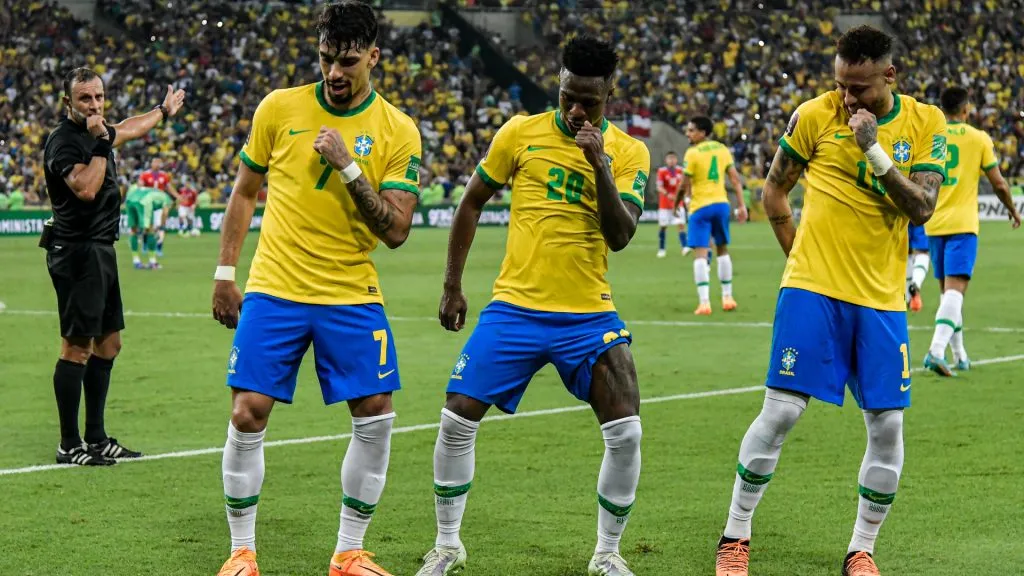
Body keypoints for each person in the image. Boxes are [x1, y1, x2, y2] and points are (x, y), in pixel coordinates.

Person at [713, 26, 946, 576]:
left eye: (860, 88)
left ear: (889, 76)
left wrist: (873, 149)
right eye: (841, 85)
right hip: (813, 289)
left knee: (887, 426)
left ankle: (861, 549)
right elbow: (773, 189)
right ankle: (735, 536)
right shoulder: (814, 115)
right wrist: (795, 255)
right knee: (781, 412)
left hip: (882, 299)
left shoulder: (925, 122)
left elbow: (923, 208)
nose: (848, 99)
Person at [415, 35, 650, 576]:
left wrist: (599, 163)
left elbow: (620, 234)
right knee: (456, 419)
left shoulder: (630, 152)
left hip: (588, 314)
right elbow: (471, 203)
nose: (574, 109)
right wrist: (452, 285)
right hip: (514, 309)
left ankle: (607, 554)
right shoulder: (520, 132)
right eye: (567, 94)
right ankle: (448, 545)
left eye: (588, 100)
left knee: (627, 431)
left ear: (608, 94)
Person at [209, 3, 422, 576]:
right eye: (327, 58)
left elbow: (397, 230)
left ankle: (349, 552)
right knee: (247, 412)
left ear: (374, 56)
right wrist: (226, 274)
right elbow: (244, 191)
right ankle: (241, 553)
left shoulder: (398, 129)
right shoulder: (278, 108)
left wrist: (350, 168)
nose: (335, 71)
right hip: (275, 287)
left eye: (348, 61)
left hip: (351, 291)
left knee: (376, 412)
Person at [42, 66, 184, 466]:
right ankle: (69, 445)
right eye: (85, 98)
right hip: (76, 252)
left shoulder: (99, 131)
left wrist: (162, 110)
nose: (95, 105)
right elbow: (86, 189)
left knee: (109, 344)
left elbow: (131, 128)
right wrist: (103, 144)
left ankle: (97, 437)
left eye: (99, 97)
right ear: (68, 101)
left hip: (101, 250)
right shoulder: (64, 142)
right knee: (76, 347)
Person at [922, 86, 1022, 376]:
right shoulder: (978, 138)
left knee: (948, 296)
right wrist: (1013, 210)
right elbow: (1000, 184)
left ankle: (959, 354)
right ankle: (936, 350)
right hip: (962, 225)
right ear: (966, 110)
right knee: (955, 294)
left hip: (934, 223)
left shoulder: (934, 137)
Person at [677, 116, 748, 315]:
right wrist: (741, 206)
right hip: (722, 205)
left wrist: (676, 203)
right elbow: (735, 179)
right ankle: (728, 297)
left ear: (702, 133)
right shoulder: (722, 149)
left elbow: (684, 184)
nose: (688, 134)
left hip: (700, 207)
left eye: (691, 130)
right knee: (723, 250)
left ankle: (704, 303)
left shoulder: (692, 153)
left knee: (700, 253)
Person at [139, 158, 176, 255]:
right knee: (147, 227)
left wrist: (178, 196)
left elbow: (169, 188)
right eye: (155, 162)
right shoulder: (145, 175)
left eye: (159, 162)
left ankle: (159, 247)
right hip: (149, 204)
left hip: (160, 203)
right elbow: (140, 187)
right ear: (151, 163)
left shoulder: (164, 175)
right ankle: (145, 244)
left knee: (161, 226)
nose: (157, 164)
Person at [656, 150, 688, 257]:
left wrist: (685, 198)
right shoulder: (662, 171)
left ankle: (684, 247)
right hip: (665, 204)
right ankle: (661, 249)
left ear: (676, 159)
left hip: (678, 203)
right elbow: (659, 187)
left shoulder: (681, 170)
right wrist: (668, 194)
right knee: (663, 226)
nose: (671, 161)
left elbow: (685, 185)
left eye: (673, 158)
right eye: (669, 158)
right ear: (666, 160)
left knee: (681, 224)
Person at [905, 224, 929, 312]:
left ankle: (907, 297)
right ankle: (916, 283)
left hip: (900, 212)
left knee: (905, 248)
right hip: (920, 212)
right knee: (922, 251)